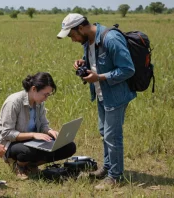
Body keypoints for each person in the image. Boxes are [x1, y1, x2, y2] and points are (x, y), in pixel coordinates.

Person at [57, 13, 136, 190]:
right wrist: (83, 62)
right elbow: (98, 62)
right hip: (102, 94)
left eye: (72, 35)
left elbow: (128, 69)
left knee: (112, 136)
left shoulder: (111, 39)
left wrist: (99, 76)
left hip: (116, 95)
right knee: (104, 132)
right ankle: (107, 169)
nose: (72, 40)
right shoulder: (88, 41)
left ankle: (115, 177)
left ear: (81, 28)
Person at [0, 72, 76, 180]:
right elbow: (7, 133)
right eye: (45, 94)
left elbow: (43, 125)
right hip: (9, 143)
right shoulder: (13, 102)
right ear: (34, 89)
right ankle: (18, 165)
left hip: (32, 141)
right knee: (27, 151)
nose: (46, 98)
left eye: (48, 95)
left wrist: (50, 131)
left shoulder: (39, 102)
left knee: (69, 146)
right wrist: (33, 135)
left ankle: (31, 165)